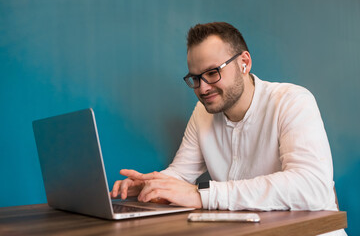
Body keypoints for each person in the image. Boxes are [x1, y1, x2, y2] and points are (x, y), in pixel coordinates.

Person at [111, 22, 346, 235]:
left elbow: (311, 186)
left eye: (212, 73)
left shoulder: (292, 100)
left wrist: (203, 195)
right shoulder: (202, 112)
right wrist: (152, 185)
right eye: (195, 78)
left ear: (244, 63)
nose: (203, 88)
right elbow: (181, 174)